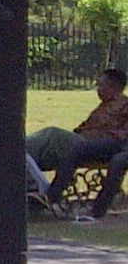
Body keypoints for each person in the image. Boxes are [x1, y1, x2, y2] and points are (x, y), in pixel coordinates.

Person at [27, 66, 128, 217]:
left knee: (53, 134)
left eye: (102, 85)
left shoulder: (124, 105)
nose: (98, 89)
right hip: (86, 141)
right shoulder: (104, 105)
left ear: (115, 88)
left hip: (99, 142)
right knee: (57, 142)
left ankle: (22, 149)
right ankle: (32, 172)